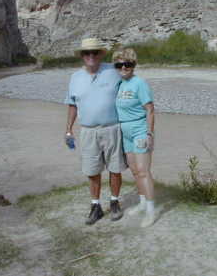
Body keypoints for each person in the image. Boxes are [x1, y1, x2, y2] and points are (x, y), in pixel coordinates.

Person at [65, 37, 127, 225]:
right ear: (82, 56)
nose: (90, 56)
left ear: (100, 54)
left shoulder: (114, 70)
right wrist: (68, 130)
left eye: (94, 52)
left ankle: (115, 202)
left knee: (115, 169)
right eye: (86, 53)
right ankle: (96, 206)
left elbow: (131, 86)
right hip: (88, 132)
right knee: (92, 171)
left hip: (113, 129)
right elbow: (72, 105)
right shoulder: (75, 78)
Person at [112, 48, 156, 228]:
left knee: (143, 171)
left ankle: (151, 211)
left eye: (127, 64)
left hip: (139, 130)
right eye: (119, 64)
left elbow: (150, 109)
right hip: (125, 131)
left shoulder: (140, 84)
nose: (124, 67)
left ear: (133, 65)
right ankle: (142, 202)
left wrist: (149, 133)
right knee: (135, 171)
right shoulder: (119, 84)